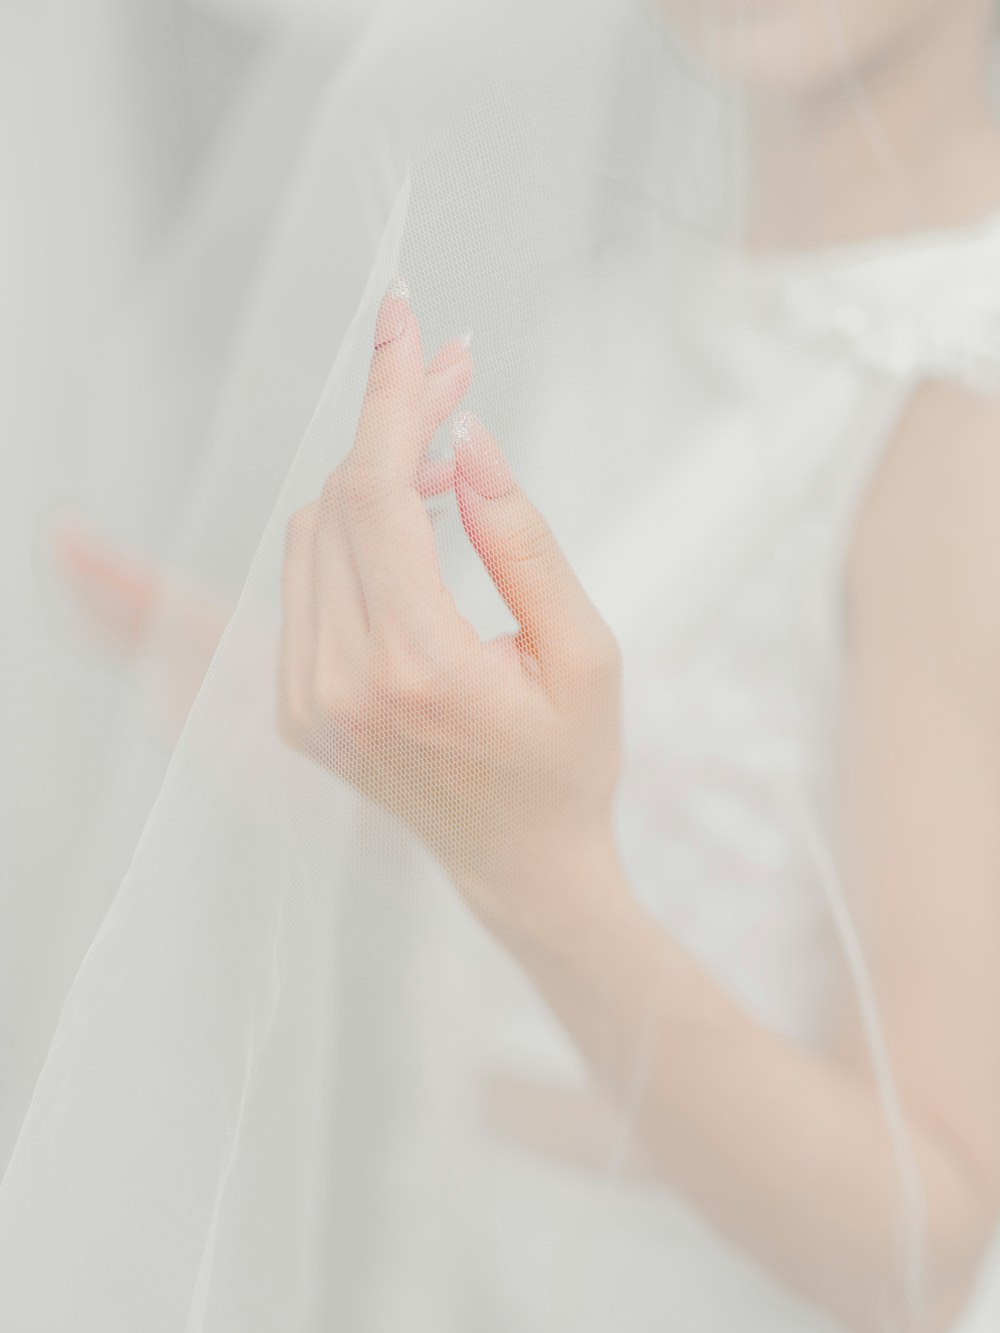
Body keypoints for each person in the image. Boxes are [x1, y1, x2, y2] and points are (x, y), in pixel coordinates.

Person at [21, 0, 1000, 1329]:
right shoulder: (620, 322)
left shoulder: (961, 414)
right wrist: (387, 766)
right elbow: (698, 835)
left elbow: (922, 1246)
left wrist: (530, 869)